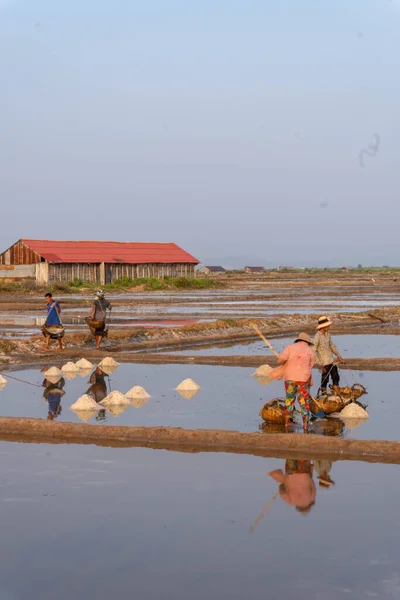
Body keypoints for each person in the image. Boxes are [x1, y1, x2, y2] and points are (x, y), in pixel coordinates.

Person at [271, 332, 315, 432]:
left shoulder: (290, 347)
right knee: (304, 402)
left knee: (289, 399)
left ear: (298, 340)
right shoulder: (310, 351)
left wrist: (283, 362)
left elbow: (281, 359)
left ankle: (287, 423)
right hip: (303, 379)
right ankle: (305, 425)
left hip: (290, 378)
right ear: (307, 342)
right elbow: (310, 365)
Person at [313, 316, 345, 395]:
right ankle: (324, 396)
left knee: (336, 377)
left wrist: (339, 356)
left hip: (331, 360)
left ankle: (337, 395)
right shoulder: (317, 336)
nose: (329, 327)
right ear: (323, 326)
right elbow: (313, 350)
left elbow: (331, 346)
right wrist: (319, 364)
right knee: (325, 380)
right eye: (327, 325)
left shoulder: (328, 334)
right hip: (324, 362)